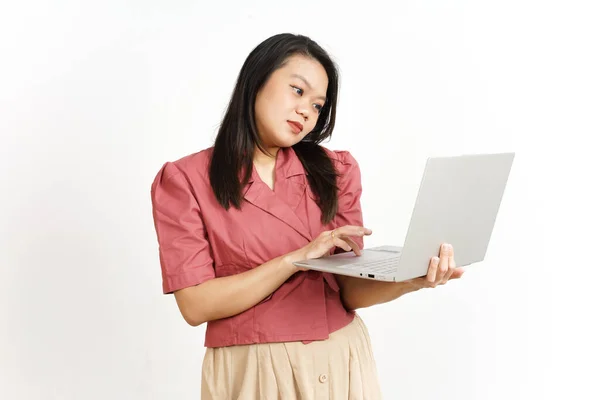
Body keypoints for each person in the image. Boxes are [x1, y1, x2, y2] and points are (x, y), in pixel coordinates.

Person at [150, 33, 465, 399]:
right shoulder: (185, 180)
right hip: (254, 371)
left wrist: (412, 279)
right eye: (298, 91)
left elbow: (349, 291)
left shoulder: (336, 171)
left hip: (342, 358)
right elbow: (196, 305)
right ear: (256, 80)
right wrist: (295, 260)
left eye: (318, 105)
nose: (306, 112)